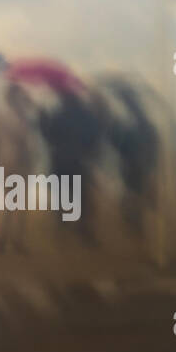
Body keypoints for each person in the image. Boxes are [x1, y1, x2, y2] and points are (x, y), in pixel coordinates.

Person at [38, 92, 103, 245]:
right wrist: (88, 152)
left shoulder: (58, 115)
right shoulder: (87, 115)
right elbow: (95, 136)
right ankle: (83, 231)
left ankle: (61, 228)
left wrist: (43, 119)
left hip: (60, 161)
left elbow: (49, 136)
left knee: (61, 196)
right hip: (79, 161)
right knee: (81, 197)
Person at [102, 83, 160, 239]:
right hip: (138, 163)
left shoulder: (135, 124)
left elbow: (118, 144)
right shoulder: (143, 124)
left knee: (134, 194)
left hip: (134, 163)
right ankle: (137, 223)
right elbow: (152, 145)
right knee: (136, 194)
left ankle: (136, 223)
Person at [0, 82, 37, 252]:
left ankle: (2, 238)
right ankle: (15, 240)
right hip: (18, 161)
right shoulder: (18, 116)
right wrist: (26, 112)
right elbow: (23, 138)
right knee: (19, 203)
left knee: (10, 202)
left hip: (3, 160)